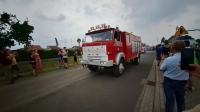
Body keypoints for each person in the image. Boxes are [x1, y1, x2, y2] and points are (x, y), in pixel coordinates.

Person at [160, 41, 189, 112]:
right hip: (182, 82)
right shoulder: (188, 59)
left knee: (170, 101)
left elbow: (161, 68)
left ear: (173, 48)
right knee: (181, 101)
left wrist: (162, 59)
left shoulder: (169, 59)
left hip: (169, 82)